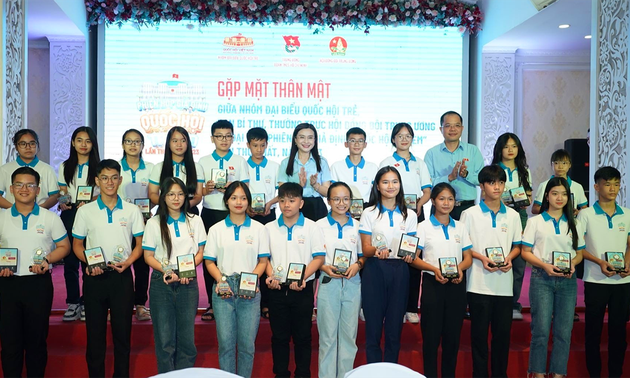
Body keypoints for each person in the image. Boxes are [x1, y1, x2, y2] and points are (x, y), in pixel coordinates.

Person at [72, 159, 145, 378]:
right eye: (104, 178)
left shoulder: (132, 210)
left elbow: (139, 245)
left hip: (122, 278)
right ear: (97, 181)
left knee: (122, 336)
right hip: (95, 278)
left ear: (120, 180)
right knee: (95, 337)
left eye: (114, 177)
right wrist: (89, 263)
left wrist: (129, 262)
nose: (110, 182)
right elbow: (77, 245)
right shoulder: (86, 211)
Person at [0, 167, 70, 377]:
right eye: (19, 184)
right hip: (7, 284)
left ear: (38, 189)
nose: (24, 189)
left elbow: (64, 247)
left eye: (30, 185)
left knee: (37, 342)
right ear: (11, 189)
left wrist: (47, 260)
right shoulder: (2, 218)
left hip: (38, 285)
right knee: (9, 343)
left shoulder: (50, 218)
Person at [460, 165, 522, 378]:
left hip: (504, 286)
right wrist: (482, 258)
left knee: (502, 338)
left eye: (501, 182)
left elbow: (517, 246)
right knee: (478, 338)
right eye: (492, 182)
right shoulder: (469, 214)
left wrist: (509, 258)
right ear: (482, 186)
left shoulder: (513, 215)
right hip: (478, 284)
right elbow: (464, 247)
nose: (497, 187)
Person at [204, 181, 269, 378]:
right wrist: (220, 280)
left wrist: (251, 280)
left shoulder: (259, 229)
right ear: (226, 201)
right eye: (233, 198)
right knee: (225, 344)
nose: (238, 202)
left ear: (249, 201)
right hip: (224, 287)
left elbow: (263, 261)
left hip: (249, 288)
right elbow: (209, 262)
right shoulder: (216, 229)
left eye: (243, 198)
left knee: (247, 345)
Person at [521, 177, 584, 378]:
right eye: (555, 193)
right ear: (546, 195)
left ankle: (558, 374)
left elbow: (580, 252)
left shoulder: (574, 223)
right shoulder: (535, 222)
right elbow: (525, 252)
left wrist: (572, 264)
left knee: (563, 333)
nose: (560, 198)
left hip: (568, 281)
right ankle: (537, 373)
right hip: (542, 279)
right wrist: (544, 266)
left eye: (564, 194)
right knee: (540, 331)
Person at [143, 177, 205, 373]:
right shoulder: (154, 223)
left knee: (187, 340)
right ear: (163, 197)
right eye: (171, 194)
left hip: (188, 283)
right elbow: (148, 256)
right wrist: (168, 270)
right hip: (162, 282)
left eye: (180, 194)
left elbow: (200, 253)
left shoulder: (195, 220)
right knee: (164, 340)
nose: (176, 198)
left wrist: (185, 271)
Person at [410, 183, 472, 378]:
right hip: (432, 285)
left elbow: (468, 257)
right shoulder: (423, 227)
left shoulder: (460, 227)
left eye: (450, 199)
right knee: (431, 338)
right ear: (434, 201)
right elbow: (413, 258)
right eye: (442, 199)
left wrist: (460, 270)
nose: (446, 203)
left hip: (456, 285)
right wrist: (433, 269)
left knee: (452, 339)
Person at [264, 182, 325, 378]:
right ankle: (280, 374)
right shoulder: (269, 228)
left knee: (303, 337)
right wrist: (271, 276)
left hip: (302, 289)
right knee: (279, 337)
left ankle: (302, 374)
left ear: (301, 202)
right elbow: (264, 259)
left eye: (292, 200)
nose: (286, 205)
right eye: (282, 200)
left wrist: (302, 278)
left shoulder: (312, 227)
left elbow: (318, 258)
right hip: (276, 289)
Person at [359, 166, 418, 363]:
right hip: (375, 269)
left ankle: (391, 370)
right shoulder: (369, 213)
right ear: (377, 185)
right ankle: (373, 370)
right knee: (373, 329)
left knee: (394, 329)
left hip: (400, 271)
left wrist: (410, 256)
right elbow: (365, 248)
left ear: (400, 185)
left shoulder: (410, 215)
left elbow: (410, 247)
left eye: (394, 181)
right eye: (385, 182)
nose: (390, 186)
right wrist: (376, 251)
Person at [577, 167, 630, 378]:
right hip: (595, 279)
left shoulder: (626, 214)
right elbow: (579, 247)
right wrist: (599, 262)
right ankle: (594, 374)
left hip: (622, 282)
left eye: (616, 184)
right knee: (593, 332)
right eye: (608, 184)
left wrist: (627, 263)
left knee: (619, 333)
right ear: (597, 186)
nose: (613, 188)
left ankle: (615, 374)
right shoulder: (586, 214)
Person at [379, 122, 432, 324]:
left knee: (412, 259)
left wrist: (419, 204)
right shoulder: (386, 161)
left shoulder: (420, 163)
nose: (404, 139)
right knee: (390, 259)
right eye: (400, 135)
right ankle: (394, 307)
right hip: (392, 213)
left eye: (408, 135)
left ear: (412, 139)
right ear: (393, 139)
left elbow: (427, 191)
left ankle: (410, 307)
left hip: (415, 215)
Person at [198, 120, 249, 322]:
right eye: (219, 136)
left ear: (233, 138)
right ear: (212, 138)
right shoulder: (203, 161)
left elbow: (245, 189)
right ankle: (212, 302)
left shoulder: (239, 160)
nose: (224, 140)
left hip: (233, 215)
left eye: (228, 136)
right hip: (210, 212)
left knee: (233, 256)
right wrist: (207, 189)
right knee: (211, 258)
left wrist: (232, 187)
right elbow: (199, 192)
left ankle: (240, 294)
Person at [316, 182, 365, 378]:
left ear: (351, 201)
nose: (341, 203)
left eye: (346, 199)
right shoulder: (318, 226)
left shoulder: (358, 226)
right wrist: (323, 267)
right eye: (336, 199)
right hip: (329, 283)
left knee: (348, 337)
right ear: (328, 201)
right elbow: (315, 257)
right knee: (327, 338)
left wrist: (358, 265)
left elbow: (362, 256)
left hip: (352, 284)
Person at [58, 126, 101, 322]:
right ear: (73, 143)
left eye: (88, 141)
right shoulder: (65, 166)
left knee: (89, 257)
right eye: (79, 140)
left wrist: (91, 201)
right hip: (71, 214)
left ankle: (87, 301)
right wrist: (63, 201)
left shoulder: (99, 167)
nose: (83, 145)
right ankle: (73, 302)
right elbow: (62, 191)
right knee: (70, 261)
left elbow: (103, 192)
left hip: (91, 214)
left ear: (93, 144)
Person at [491, 132, 533, 320]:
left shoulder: (524, 170)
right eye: (506, 146)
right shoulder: (493, 169)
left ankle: (513, 303)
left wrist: (524, 201)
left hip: (520, 216)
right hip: (498, 215)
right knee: (497, 257)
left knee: (518, 262)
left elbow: (529, 197)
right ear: (500, 149)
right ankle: (494, 301)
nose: (510, 150)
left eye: (514, 146)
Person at [118, 128, 155, 321]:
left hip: (144, 222)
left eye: (137, 141)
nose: (133, 145)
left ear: (142, 145)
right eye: (129, 141)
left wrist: (148, 209)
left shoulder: (151, 168)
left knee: (142, 265)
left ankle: (140, 304)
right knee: (119, 259)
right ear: (123, 144)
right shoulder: (115, 167)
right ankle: (117, 305)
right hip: (119, 223)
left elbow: (155, 195)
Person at [245, 127, 280, 320]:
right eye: (255, 145)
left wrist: (271, 204)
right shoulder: (243, 165)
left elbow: (280, 192)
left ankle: (266, 302)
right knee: (250, 256)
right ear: (248, 145)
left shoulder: (274, 166)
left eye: (262, 145)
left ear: (267, 144)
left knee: (266, 257)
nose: (259, 149)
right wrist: (247, 207)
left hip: (268, 215)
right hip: (248, 215)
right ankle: (250, 297)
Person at [424, 111, 484, 220]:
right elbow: (427, 182)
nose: (452, 129)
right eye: (448, 126)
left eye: (457, 125)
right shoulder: (431, 153)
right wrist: (449, 178)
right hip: (440, 207)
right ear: (441, 129)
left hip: (466, 207)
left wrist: (466, 175)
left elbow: (482, 180)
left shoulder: (473, 151)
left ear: (462, 128)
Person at [278, 123, 331, 222]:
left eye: (310, 138)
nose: (306, 141)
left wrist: (316, 185)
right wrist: (299, 186)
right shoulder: (286, 163)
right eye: (302, 137)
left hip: (317, 207)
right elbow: (282, 192)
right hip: (294, 206)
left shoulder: (322, 162)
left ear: (315, 140)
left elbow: (328, 192)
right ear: (295, 140)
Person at [148, 126, 204, 212]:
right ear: (169, 144)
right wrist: (168, 204)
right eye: (175, 141)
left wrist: (184, 205)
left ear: (188, 143)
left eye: (183, 140)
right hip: (165, 212)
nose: (179, 144)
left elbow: (198, 196)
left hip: (189, 210)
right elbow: (152, 194)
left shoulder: (196, 167)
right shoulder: (159, 167)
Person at [0, 129, 59, 209]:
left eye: (32, 143)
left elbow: (55, 196)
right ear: (16, 146)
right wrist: (15, 209)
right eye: (23, 144)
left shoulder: (47, 169)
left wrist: (39, 209)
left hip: (40, 216)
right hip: (12, 216)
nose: (28, 147)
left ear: (37, 145)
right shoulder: (5, 169)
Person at [532, 149, 588, 215]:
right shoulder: (544, 185)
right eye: (556, 163)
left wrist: (577, 212)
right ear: (551, 165)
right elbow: (535, 209)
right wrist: (552, 211)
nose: (560, 166)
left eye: (564, 163)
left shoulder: (577, 187)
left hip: (570, 222)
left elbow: (585, 209)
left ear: (570, 165)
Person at [330, 127, 378, 203]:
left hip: (366, 208)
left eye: (360, 141)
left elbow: (376, 192)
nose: (357, 144)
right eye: (352, 140)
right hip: (343, 207)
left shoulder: (373, 167)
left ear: (365, 144)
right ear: (346, 144)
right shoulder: (336, 166)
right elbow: (333, 192)